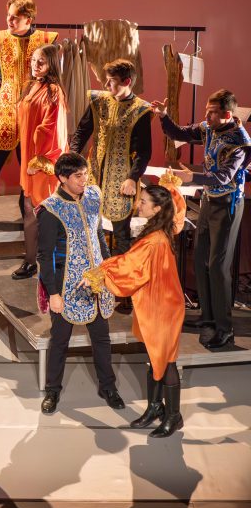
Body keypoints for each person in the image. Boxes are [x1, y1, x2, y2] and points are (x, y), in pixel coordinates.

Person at [83, 184, 186, 437]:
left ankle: (174, 416)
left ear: (157, 208)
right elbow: (177, 207)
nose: (138, 205)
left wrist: (99, 273)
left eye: (143, 201)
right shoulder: (161, 227)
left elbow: (129, 265)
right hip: (157, 303)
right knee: (154, 357)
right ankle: (155, 407)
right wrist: (171, 188)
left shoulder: (154, 240)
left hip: (164, 308)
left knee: (167, 361)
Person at [152, 88, 250, 350]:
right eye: (206, 110)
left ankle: (224, 328)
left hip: (228, 204)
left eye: (212, 112)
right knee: (200, 258)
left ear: (227, 114)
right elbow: (179, 133)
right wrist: (163, 116)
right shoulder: (208, 128)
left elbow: (224, 177)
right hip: (209, 199)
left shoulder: (240, 141)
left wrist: (191, 178)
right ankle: (207, 317)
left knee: (218, 266)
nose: (206, 116)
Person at [37, 152, 124, 415]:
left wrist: (108, 271)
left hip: (97, 281)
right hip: (66, 285)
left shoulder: (93, 196)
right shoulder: (51, 209)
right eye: (78, 176)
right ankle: (52, 390)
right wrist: (53, 293)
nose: (84, 179)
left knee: (101, 338)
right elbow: (45, 256)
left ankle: (108, 387)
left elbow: (98, 235)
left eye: (85, 174)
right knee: (59, 341)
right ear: (62, 178)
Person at [0, 0, 58, 232]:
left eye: (15, 17)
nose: (9, 20)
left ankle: (29, 213)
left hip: (35, 111)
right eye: (8, 15)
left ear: (29, 18)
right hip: (2, 109)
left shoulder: (46, 40)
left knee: (30, 166)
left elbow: (56, 75)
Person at [69, 58, 153, 311]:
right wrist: (73, 159)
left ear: (127, 82)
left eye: (112, 82)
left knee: (121, 237)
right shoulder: (99, 101)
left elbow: (144, 151)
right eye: (106, 81)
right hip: (94, 176)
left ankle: (124, 294)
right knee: (91, 232)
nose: (106, 86)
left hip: (121, 180)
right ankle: (94, 284)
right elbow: (82, 132)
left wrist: (132, 177)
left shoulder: (140, 110)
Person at [12, 42, 68, 280]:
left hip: (43, 160)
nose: (35, 65)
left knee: (41, 211)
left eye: (41, 62)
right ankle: (31, 260)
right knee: (28, 208)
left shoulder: (54, 91)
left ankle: (48, 263)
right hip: (29, 156)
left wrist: (39, 157)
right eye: (33, 61)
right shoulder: (32, 85)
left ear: (51, 64)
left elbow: (52, 128)